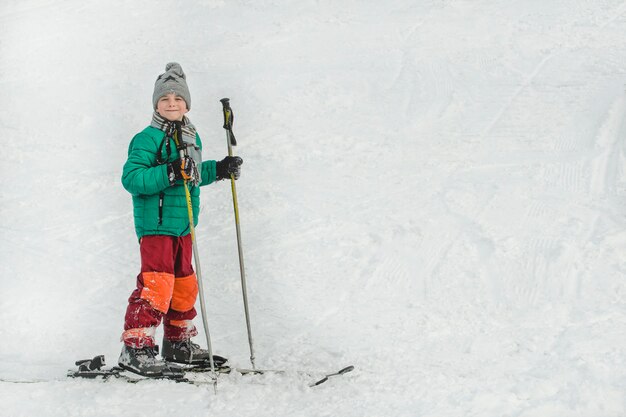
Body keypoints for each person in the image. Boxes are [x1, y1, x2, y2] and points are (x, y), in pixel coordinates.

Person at [118, 62, 243, 376]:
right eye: (164, 99)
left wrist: (220, 169)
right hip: (156, 224)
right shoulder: (146, 138)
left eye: (177, 98)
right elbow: (132, 178)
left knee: (185, 285)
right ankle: (136, 346)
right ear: (156, 105)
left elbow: (193, 176)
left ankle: (178, 343)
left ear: (187, 104)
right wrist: (171, 171)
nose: (171, 103)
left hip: (183, 224)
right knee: (157, 285)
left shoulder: (190, 136)